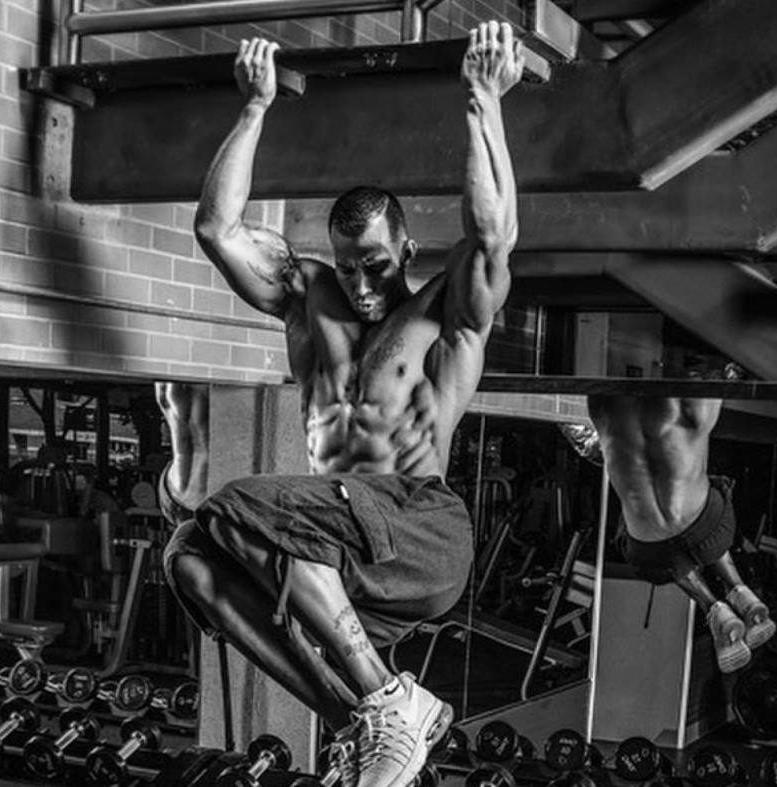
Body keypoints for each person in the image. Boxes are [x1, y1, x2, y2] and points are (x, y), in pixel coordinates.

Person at [156, 21, 524, 787]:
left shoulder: (440, 316)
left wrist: (482, 102)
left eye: (376, 265)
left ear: (406, 254)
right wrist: (255, 108)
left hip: (421, 525)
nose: (360, 283)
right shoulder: (306, 301)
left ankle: (392, 700)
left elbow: (492, 239)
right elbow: (215, 228)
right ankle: (359, 718)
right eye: (349, 264)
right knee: (189, 556)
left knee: (234, 506)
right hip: (342, 549)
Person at [586, 395, 776, 673]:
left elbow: (591, 449)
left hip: (650, 553)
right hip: (708, 530)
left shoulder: (600, 405)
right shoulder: (692, 405)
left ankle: (716, 612)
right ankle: (740, 591)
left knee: (643, 530)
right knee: (715, 486)